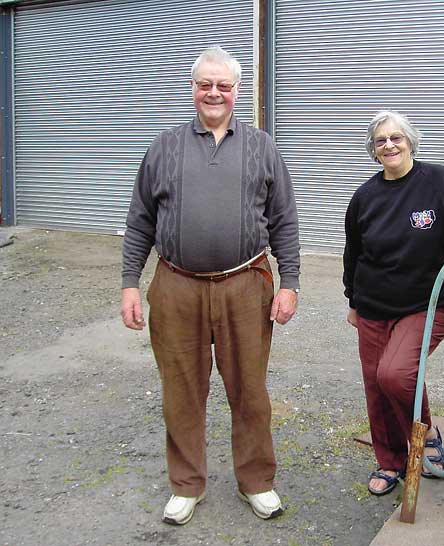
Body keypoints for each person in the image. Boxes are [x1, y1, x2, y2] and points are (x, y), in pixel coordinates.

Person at [120, 46, 300, 525]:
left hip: (246, 284)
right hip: (177, 285)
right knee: (181, 388)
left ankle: (257, 481)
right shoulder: (164, 147)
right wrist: (129, 284)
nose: (214, 93)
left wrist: (290, 282)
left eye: (223, 85)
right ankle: (186, 484)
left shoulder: (262, 146)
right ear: (193, 89)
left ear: (237, 91)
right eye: (205, 84)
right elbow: (139, 221)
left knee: (250, 390)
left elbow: (284, 220)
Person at [343, 110, 444, 496]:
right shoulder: (365, 197)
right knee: (377, 385)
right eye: (380, 141)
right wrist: (352, 301)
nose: (389, 145)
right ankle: (390, 460)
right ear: (373, 151)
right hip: (373, 304)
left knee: (396, 374)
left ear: (410, 141)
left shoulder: (438, 181)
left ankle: (426, 441)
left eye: (396, 137)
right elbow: (353, 254)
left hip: (428, 302)